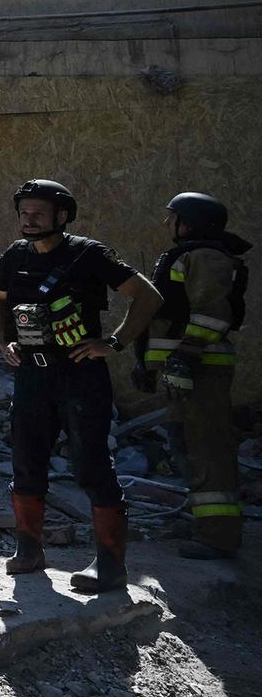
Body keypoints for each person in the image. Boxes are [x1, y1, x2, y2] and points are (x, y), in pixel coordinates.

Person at [0, 179, 160, 593]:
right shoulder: (15, 255)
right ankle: (29, 551)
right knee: (27, 463)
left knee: (91, 465)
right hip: (32, 376)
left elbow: (148, 296)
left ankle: (111, 566)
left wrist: (113, 342)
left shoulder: (89, 254)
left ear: (62, 216)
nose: (29, 220)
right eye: (24, 213)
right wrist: (5, 340)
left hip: (80, 376)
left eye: (38, 213)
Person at [134, 192, 248, 559]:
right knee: (185, 444)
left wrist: (184, 355)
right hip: (184, 371)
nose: (167, 224)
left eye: (173, 218)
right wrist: (146, 364)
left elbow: (213, 313)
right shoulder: (186, 255)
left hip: (202, 370)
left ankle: (217, 536)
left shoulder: (207, 257)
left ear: (191, 223)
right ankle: (203, 522)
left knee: (207, 449)